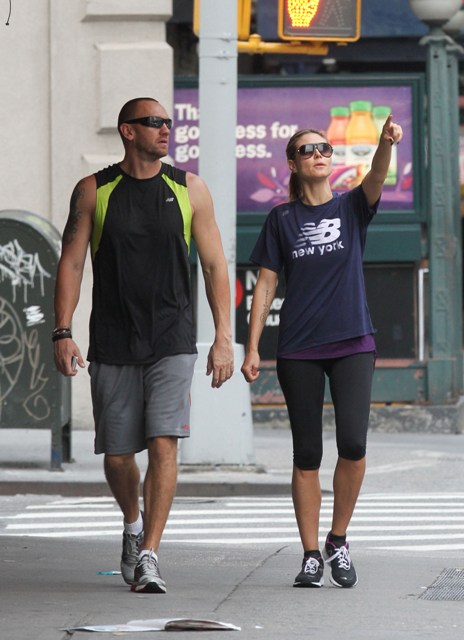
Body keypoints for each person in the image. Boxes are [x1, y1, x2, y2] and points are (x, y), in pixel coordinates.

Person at [53, 97, 234, 594]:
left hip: (172, 337)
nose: (165, 130)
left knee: (163, 441)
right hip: (113, 338)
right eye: (154, 123)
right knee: (117, 455)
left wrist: (223, 337)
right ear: (127, 131)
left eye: (168, 123)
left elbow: (215, 265)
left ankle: (151, 553)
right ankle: (133, 523)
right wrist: (63, 331)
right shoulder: (93, 190)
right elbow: (72, 262)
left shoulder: (190, 188)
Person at [241, 115, 403, 589]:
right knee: (307, 452)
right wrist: (252, 347)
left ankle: (338, 539)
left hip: (353, 341)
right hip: (299, 347)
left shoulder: (351, 206)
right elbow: (265, 285)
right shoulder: (281, 219)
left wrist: (384, 143)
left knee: (353, 444)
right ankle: (311, 554)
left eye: (325, 148)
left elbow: (377, 175)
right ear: (292, 163)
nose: (318, 155)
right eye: (308, 150)